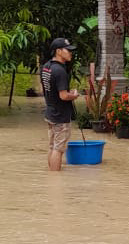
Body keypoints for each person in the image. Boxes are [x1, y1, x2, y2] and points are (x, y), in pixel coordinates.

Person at [41, 38, 80, 171]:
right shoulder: (60, 71)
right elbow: (63, 96)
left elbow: (49, 89)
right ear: (58, 51)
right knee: (58, 149)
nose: (70, 53)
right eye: (67, 50)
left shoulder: (46, 67)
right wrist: (74, 95)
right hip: (60, 115)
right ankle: (55, 180)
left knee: (52, 147)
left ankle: (51, 176)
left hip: (50, 112)